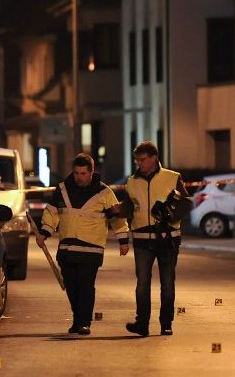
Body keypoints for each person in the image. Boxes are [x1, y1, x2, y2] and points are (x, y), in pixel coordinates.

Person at [37, 153, 130, 335]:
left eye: (83, 173)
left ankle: (84, 322)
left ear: (91, 172)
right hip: (67, 247)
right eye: (76, 173)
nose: (79, 177)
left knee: (86, 286)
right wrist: (44, 232)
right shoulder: (63, 189)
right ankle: (77, 319)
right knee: (71, 287)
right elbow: (51, 213)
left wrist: (123, 240)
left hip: (91, 249)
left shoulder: (104, 193)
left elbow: (117, 218)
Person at [122, 141, 188, 337]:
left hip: (167, 239)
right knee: (142, 283)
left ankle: (166, 324)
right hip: (142, 239)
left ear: (154, 158)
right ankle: (141, 323)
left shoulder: (172, 177)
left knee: (167, 283)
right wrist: (116, 211)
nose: (139, 164)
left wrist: (170, 215)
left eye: (142, 160)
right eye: (137, 160)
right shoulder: (132, 181)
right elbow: (129, 207)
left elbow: (186, 203)